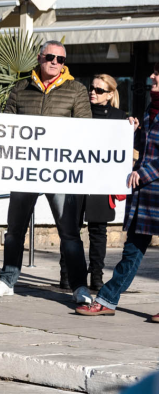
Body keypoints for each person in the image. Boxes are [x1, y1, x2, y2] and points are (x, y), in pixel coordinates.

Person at [0, 42, 93, 303]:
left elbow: (84, 128)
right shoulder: (21, 88)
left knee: (69, 232)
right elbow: (6, 126)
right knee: (14, 230)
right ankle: (7, 279)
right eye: (50, 57)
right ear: (39, 58)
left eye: (61, 58)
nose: (55, 62)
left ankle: (79, 286)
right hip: (25, 170)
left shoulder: (76, 89)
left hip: (60, 171)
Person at [76, 65, 158, 318]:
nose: (152, 77)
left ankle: (105, 299)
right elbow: (146, 149)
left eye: (158, 73)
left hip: (150, 189)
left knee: (132, 250)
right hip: (146, 196)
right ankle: (106, 300)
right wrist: (131, 132)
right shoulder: (150, 109)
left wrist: (142, 174)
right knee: (132, 250)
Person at [75, 74, 126, 291]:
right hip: (76, 178)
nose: (93, 92)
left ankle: (96, 275)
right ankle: (67, 273)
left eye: (99, 90)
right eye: (91, 88)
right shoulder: (79, 113)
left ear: (111, 94)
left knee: (98, 230)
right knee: (71, 228)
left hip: (102, 181)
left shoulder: (119, 117)